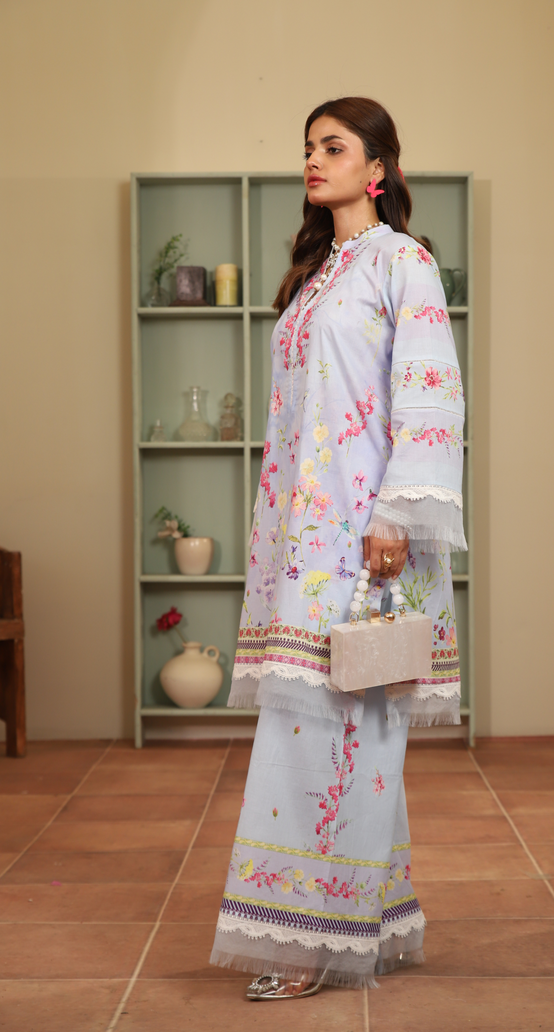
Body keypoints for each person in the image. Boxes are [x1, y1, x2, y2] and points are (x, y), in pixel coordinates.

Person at [209, 96, 466, 999]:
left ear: (378, 168)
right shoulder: (318, 275)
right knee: (327, 722)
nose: (314, 161)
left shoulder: (402, 263)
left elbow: (430, 395)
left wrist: (394, 517)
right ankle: (359, 922)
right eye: (308, 148)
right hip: (305, 538)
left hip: (366, 536)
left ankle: (306, 940)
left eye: (334, 146)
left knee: (347, 724)